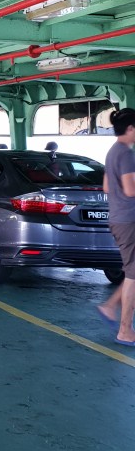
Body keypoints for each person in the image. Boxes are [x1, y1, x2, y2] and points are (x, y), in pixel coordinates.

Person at [97, 108, 135, 345]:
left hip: (119, 218)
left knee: (133, 271)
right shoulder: (127, 154)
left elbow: (107, 187)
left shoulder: (112, 152)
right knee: (133, 275)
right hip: (129, 220)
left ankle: (110, 307)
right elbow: (130, 190)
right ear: (131, 129)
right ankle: (125, 330)